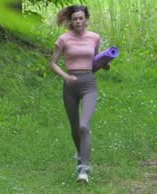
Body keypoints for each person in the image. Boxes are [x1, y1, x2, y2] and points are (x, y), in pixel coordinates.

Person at [49, 4, 102, 184]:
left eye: (81, 18)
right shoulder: (63, 39)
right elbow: (53, 63)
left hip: (89, 85)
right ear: (70, 22)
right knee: (74, 127)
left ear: (86, 20)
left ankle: (84, 169)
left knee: (83, 126)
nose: (78, 21)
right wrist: (65, 76)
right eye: (74, 19)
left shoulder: (94, 38)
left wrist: (105, 63)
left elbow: (94, 61)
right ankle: (81, 155)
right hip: (70, 86)